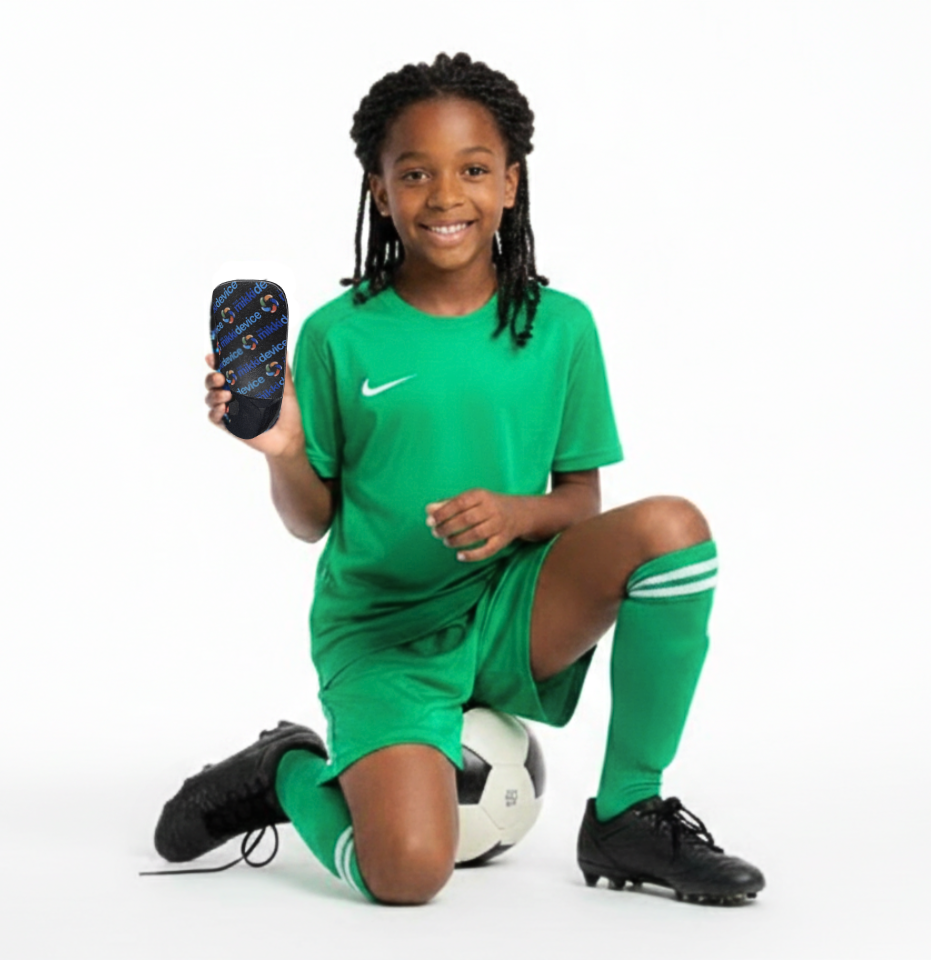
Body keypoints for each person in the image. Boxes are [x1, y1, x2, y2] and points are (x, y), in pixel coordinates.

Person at [152, 51, 765, 907]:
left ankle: (627, 808)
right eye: (416, 174)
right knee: (404, 875)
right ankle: (285, 769)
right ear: (379, 190)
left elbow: (580, 503)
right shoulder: (338, 335)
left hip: (512, 607)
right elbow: (310, 523)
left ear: (510, 184)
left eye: (473, 170)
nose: (446, 197)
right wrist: (284, 448)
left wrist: (516, 515)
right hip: (385, 634)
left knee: (672, 528)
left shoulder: (559, 328)